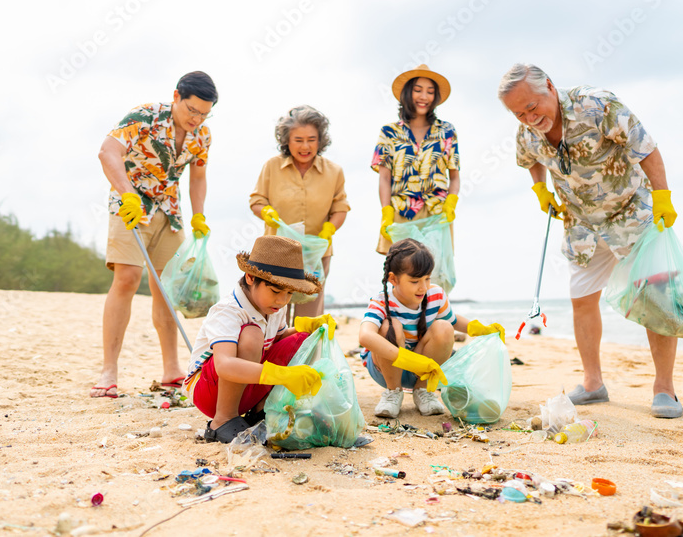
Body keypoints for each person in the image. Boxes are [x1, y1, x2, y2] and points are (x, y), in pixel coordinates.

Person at [498, 64, 683, 418]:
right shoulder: (526, 131)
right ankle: (593, 384)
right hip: (581, 223)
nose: (528, 118)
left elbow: (646, 147)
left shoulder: (597, 105)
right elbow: (529, 159)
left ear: (549, 87)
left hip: (630, 213)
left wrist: (662, 196)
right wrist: (540, 188)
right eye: (518, 113)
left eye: (532, 108)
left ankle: (665, 389)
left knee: (655, 296)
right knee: (581, 300)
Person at [91, 71, 217, 399]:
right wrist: (127, 193)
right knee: (128, 278)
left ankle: (172, 369)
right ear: (176, 97)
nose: (197, 119)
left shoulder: (202, 135)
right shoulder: (145, 117)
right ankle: (109, 372)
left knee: (166, 287)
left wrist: (199, 214)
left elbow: (198, 176)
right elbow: (108, 152)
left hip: (170, 212)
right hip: (131, 204)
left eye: (205, 113)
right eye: (192, 110)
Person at [183, 235, 337, 443]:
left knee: (301, 339)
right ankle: (223, 421)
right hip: (211, 392)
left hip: (246, 384)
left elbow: (277, 339)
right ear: (250, 278)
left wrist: (305, 327)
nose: (282, 300)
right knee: (252, 334)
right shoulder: (228, 310)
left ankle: (259, 412)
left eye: (289, 293)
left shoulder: (272, 307)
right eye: (275, 290)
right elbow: (225, 365)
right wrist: (284, 375)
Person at [358, 238, 505, 418]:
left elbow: (452, 320)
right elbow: (365, 336)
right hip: (386, 369)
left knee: (443, 327)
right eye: (414, 281)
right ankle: (393, 393)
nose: (423, 287)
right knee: (390, 326)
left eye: (427, 279)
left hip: (425, 370)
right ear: (393, 279)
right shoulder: (381, 301)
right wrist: (406, 359)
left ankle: (423, 392)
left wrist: (480, 329)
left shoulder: (435, 294)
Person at [249, 105, 350, 316]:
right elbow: (256, 200)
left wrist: (330, 228)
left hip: (316, 254)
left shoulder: (334, 172)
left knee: (308, 316)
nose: (305, 146)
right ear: (286, 140)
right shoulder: (272, 167)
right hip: (277, 253)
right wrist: (266, 212)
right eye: (298, 140)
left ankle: (304, 350)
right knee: (275, 312)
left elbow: (340, 207)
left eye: (312, 139)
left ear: (321, 140)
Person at [372, 65, 460, 254]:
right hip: (402, 212)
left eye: (430, 92)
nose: (424, 97)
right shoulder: (389, 132)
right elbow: (384, 178)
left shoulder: (447, 131)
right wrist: (386, 213)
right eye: (418, 90)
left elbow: (454, 175)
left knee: (436, 275)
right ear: (407, 93)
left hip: (437, 214)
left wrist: (451, 203)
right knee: (402, 275)